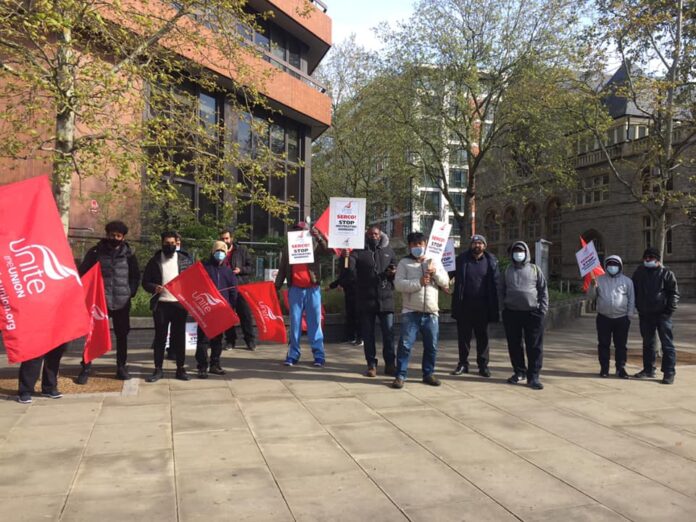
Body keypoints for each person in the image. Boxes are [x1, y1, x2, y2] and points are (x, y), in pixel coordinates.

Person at [76, 220, 140, 383]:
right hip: (99, 302)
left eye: (118, 236)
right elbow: (83, 272)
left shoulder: (129, 254)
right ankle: (86, 366)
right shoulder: (96, 252)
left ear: (123, 237)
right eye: (112, 235)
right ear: (107, 234)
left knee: (122, 335)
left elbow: (135, 276)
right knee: (92, 334)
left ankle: (121, 366)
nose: (115, 238)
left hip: (122, 301)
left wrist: (130, 292)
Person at [392, 231, 449, 389]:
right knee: (405, 345)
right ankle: (400, 375)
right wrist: (419, 282)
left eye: (421, 244)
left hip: (431, 313)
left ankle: (428, 374)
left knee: (432, 346)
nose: (418, 247)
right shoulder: (404, 263)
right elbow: (399, 284)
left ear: (425, 245)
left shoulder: (434, 260)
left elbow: (446, 282)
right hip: (411, 312)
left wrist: (435, 272)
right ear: (409, 246)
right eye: (414, 245)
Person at [142, 230, 194, 382]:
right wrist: (154, 287)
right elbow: (145, 282)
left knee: (179, 338)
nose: (170, 246)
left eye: (173, 243)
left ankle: (180, 368)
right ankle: (158, 369)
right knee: (160, 338)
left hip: (179, 305)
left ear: (177, 243)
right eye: (167, 243)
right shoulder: (155, 261)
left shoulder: (185, 260)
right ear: (162, 243)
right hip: (161, 305)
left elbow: (192, 281)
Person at [275, 221, 327, 367]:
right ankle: (293, 354)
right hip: (296, 289)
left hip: (312, 288)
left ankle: (318, 355)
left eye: (303, 229)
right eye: (297, 229)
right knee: (295, 323)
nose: (300, 231)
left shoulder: (314, 244)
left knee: (315, 323)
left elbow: (327, 251)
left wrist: (319, 237)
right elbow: (283, 268)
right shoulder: (288, 247)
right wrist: (276, 286)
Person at [499, 241, 548, 390]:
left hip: (533, 313)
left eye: (521, 250)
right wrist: (503, 310)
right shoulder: (507, 270)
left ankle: (533, 376)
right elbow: (500, 291)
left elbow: (543, 290)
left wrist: (542, 310)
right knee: (514, 345)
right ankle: (519, 372)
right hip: (512, 313)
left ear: (526, 253)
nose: (518, 253)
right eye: (515, 251)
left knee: (534, 346)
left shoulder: (535, 269)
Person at [349, 226, 397, 377]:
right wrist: (346, 257)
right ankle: (371, 364)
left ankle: (390, 364)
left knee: (388, 335)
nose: (373, 236)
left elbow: (396, 269)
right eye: (370, 234)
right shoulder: (357, 251)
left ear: (380, 234)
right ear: (365, 235)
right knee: (368, 335)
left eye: (376, 234)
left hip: (386, 300)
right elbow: (350, 272)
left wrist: (392, 273)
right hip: (366, 300)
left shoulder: (388, 250)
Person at [450, 234, 500, 378]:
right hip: (464, 306)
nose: (477, 245)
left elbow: (497, 284)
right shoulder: (461, 260)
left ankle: (483, 366)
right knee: (463, 338)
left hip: (483, 307)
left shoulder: (491, 261)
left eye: (480, 243)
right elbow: (447, 275)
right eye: (474, 243)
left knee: (483, 338)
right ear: (470, 245)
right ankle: (463, 364)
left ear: (484, 246)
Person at [632, 247, 679, 384]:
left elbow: (674, 293)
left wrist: (669, 310)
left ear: (657, 259)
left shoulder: (667, 273)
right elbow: (633, 290)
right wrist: (638, 306)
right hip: (645, 314)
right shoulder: (639, 273)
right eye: (645, 258)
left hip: (663, 315)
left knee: (667, 344)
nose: (647, 260)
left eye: (651, 258)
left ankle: (669, 372)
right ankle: (648, 369)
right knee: (648, 343)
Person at [196, 241, 238, 379]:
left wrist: (230, 307)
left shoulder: (228, 272)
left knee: (217, 340)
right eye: (217, 250)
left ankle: (215, 364)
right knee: (203, 340)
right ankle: (202, 366)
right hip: (206, 310)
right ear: (212, 252)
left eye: (223, 251)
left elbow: (233, 291)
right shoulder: (204, 268)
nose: (220, 253)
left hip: (221, 311)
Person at [590, 255, 634, 378]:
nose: (612, 267)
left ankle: (621, 368)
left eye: (615, 265)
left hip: (622, 318)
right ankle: (604, 368)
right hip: (604, 317)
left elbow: (631, 299)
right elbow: (591, 297)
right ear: (606, 266)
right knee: (604, 344)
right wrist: (592, 286)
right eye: (610, 264)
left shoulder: (627, 281)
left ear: (620, 266)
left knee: (621, 345)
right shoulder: (599, 279)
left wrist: (629, 315)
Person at [219, 228, 256, 351]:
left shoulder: (241, 250)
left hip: (240, 286)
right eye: (222, 238)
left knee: (245, 315)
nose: (225, 241)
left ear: (231, 239)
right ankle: (230, 340)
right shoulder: (218, 251)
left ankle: (250, 340)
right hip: (225, 288)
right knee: (227, 316)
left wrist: (241, 270)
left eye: (227, 238)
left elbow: (251, 268)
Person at [328, 253, 361, 345]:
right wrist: (333, 285)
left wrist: (339, 284)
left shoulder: (353, 256)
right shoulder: (343, 259)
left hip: (356, 289)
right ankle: (350, 336)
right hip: (348, 290)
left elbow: (351, 273)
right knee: (350, 314)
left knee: (357, 314)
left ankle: (359, 337)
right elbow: (344, 274)